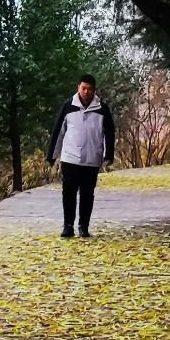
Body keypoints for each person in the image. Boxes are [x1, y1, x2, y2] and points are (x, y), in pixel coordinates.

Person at [47, 75, 115, 238]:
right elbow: (58, 131)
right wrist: (52, 155)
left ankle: (83, 226)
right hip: (70, 157)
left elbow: (109, 132)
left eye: (90, 89)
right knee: (68, 192)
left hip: (92, 159)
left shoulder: (102, 109)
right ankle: (68, 226)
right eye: (83, 88)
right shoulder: (68, 106)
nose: (86, 92)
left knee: (87, 194)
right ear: (78, 87)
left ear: (94, 90)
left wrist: (108, 154)